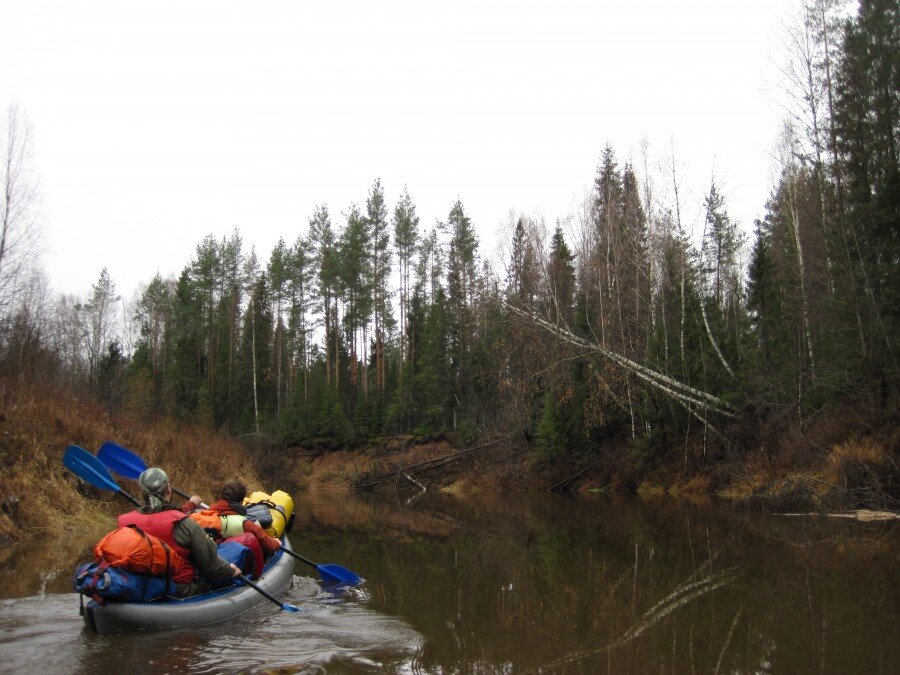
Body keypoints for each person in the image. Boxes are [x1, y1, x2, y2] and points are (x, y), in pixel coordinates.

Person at [118, 468, 241, 597]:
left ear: (142, 493)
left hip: (137, 585)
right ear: (169, 489)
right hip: (182, 590)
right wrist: (230, 570)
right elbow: (210, 566)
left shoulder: (124, 522)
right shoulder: (184, 524)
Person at [186, 479, 281, 578]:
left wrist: (191, 504)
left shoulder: (203, 514)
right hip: (224, 566)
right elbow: (266, 542)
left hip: (201, 563)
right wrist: (276, 543)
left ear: (221, 497)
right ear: (241, 502)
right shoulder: (245, 524)